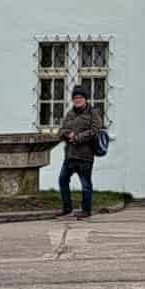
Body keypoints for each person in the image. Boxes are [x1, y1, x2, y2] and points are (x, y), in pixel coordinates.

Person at [55, 84, 102, 220]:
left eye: (80, 97)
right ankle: (67, 208)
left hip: (85, 155)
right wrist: (68, 134)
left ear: (85, 99)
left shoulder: (93, 113)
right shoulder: (70, 113)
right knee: (63, 180)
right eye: (75, 97)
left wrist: (79, 137)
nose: (78, 100)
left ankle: (86, 210)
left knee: (86, 184)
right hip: (70, 155)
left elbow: (95, 131)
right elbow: (61, 130)